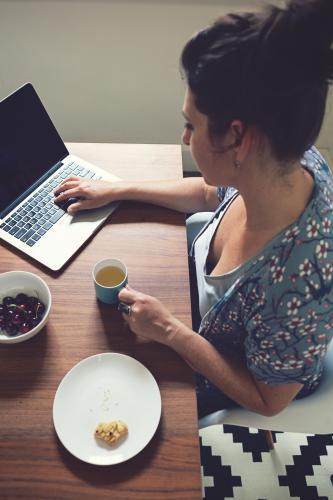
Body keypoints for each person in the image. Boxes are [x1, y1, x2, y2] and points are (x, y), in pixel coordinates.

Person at [54, 0, 333, 419]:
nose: (185, 139)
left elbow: (266, 400)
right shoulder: (288, 159)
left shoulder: (297, 286)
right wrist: (116, 189)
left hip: (240, 376)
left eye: (191, 124)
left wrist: (170, 331)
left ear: (238, 139)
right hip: (201, 321)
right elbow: (209, 194)